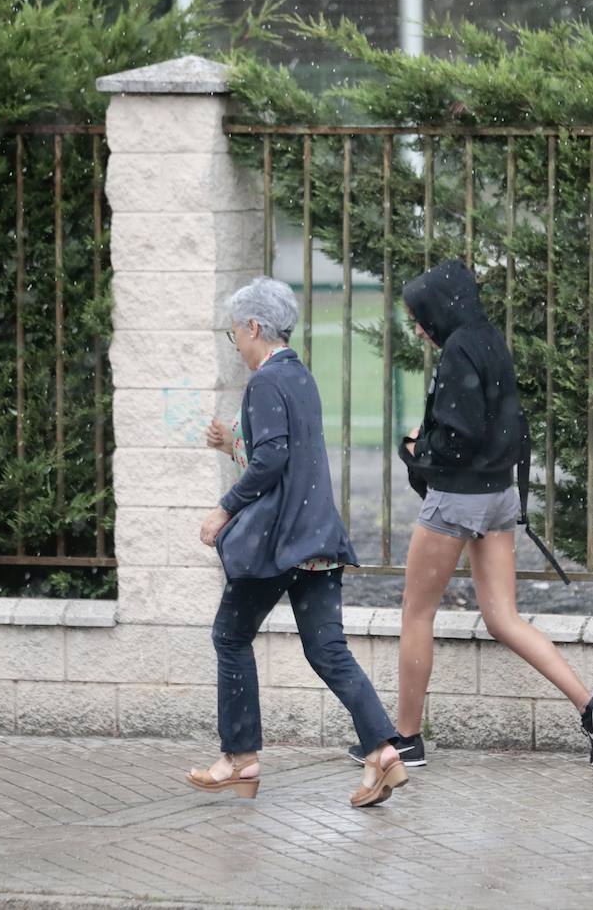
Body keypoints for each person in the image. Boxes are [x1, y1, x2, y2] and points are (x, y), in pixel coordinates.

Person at [348, 258, 593, 769]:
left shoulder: (457, 351)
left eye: (419, 316)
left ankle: (407, 739)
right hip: (500, 495)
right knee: (502, 617)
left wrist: (416, 448)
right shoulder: (489, 340)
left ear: (438, 310)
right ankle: (592, 708)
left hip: (460, 497)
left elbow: (458, 436)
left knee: (416, 610)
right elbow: (505, 424)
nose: (418, 327)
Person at [189, 276, 407, 808]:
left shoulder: (264, 383)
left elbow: (271, 461)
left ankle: (240, 758)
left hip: (277, 545)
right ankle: (383, 753)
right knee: (328, 650)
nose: (235, 343)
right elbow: (285, 457)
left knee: (229, 638)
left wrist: (223, 509)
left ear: (254, 327)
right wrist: (233, 444)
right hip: (317, 540)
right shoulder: (300, 376)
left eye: (234, 333)